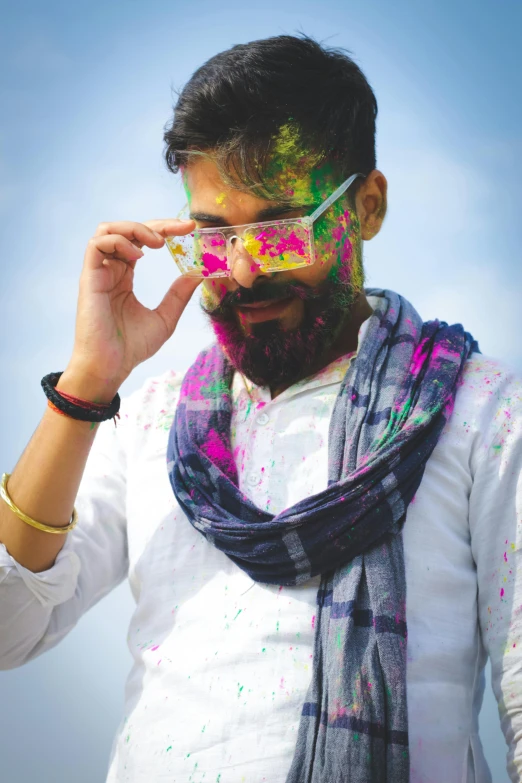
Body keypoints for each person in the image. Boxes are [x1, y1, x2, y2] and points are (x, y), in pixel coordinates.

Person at [0, 33, 520, 783]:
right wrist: (85, 386)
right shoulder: (149, 424)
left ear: (367, 207)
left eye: (278, 231)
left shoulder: (479, 412)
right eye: (214, 237)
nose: (242, 271)